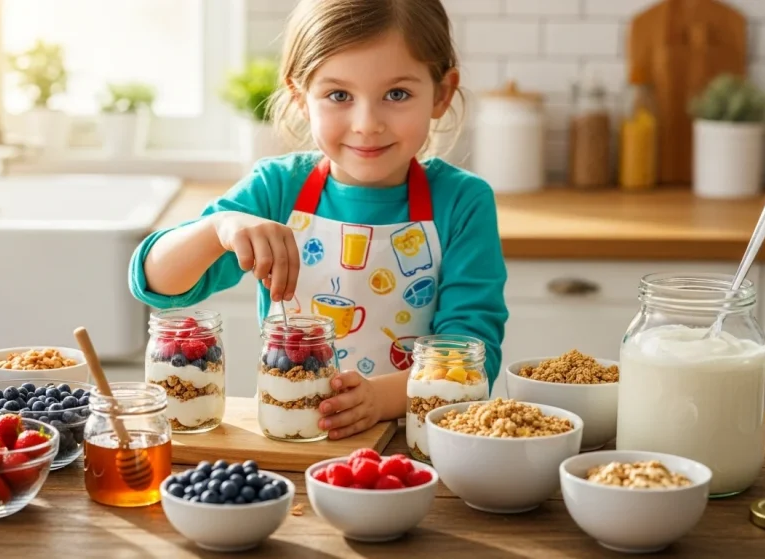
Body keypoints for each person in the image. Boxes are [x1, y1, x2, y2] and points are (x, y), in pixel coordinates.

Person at [129, 0, 507, 440]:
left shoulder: (462, 201)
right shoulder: (276, 188)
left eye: (397, 94)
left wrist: (378, 400)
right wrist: (220, 228)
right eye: (339, 95)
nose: (367, 124)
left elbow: (471, 358)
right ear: (300, 98)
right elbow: (156, 282)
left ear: (441, 94)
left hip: (416, 445)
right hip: (293, 439)